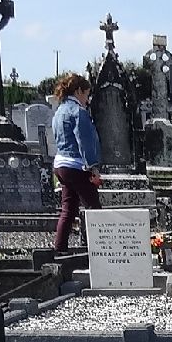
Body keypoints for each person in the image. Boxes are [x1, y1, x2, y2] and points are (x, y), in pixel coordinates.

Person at [50, 73, 101, 254]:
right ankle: (101, 250)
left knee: (68, 210)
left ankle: (60, 249)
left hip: (61, 165)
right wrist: (92, 167)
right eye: (86, 94)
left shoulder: (59, 112)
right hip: (76, 165)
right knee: (94, 209)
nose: (87, 100)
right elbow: (84, 141)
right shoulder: (78, 112)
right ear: (78, 91)